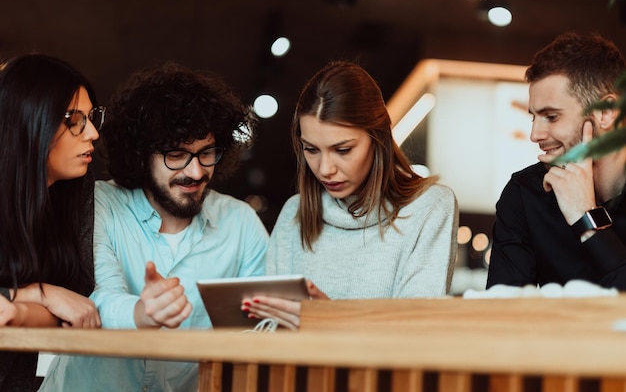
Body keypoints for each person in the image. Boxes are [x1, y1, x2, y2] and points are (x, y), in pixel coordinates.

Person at [39, 61, 269, 391]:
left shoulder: (240, 223)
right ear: (142, 153)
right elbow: (97, 294)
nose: (195, 172)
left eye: (207, 153)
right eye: (176, 155)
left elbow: (262, 328)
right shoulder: (99, 201)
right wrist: (143, 313)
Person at [242, 60, 458, 330]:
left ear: (378, 138)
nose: (325, 169)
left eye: (343, 150)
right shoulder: (295, 212)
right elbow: (265, 328)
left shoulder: (430, 206)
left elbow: (416, 330)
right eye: (311, 149)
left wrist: (330, 320)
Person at [487, 31, 626, 289]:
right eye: (533, 117)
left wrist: (587, 219)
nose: (534, 135)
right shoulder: (525, 194)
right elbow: (503, 312)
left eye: (551, 117)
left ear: (606, 113)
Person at [0, 54, 103, 391]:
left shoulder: (71, 199)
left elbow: (71, 312)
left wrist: (20, 305)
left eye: (90, 117)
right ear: (27, 120)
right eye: (74, 119)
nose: (93, 133)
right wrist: (37, 294)